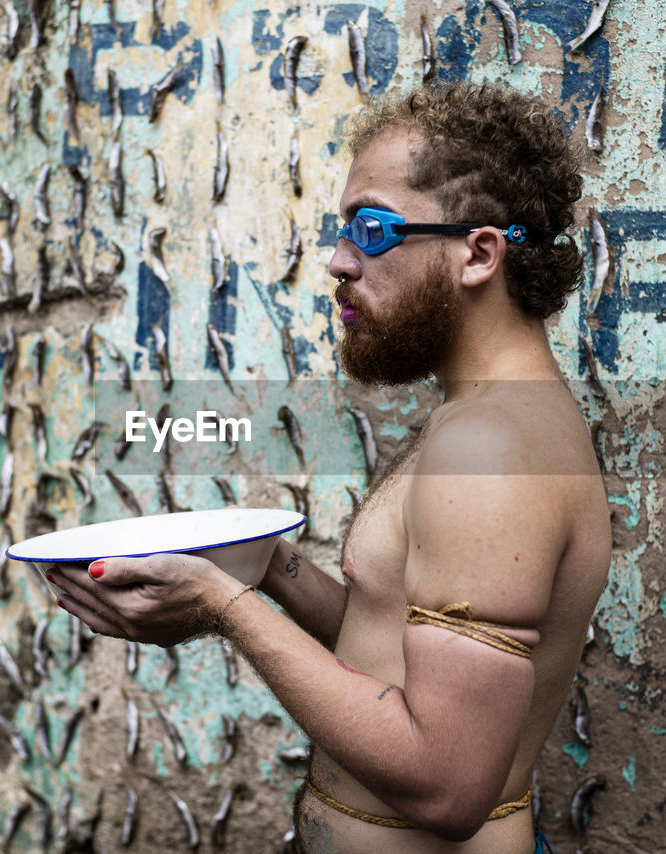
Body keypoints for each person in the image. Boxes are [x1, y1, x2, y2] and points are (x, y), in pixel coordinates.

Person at [47, 82, 611, 853]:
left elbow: (448, 786)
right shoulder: (488, 418)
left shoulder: (491, 451)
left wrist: (222, 608)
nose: (340, 262)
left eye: (372, 230)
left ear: (479, 253)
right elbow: (391, 649)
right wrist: (264, 568)